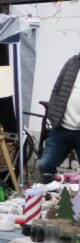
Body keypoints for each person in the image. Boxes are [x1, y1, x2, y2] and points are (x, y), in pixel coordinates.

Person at [39, 53, 80, 183]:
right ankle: (50, 192)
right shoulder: (72, 62)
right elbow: (56, 89)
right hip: (61, 127)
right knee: (45, 165)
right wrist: (52, 113)